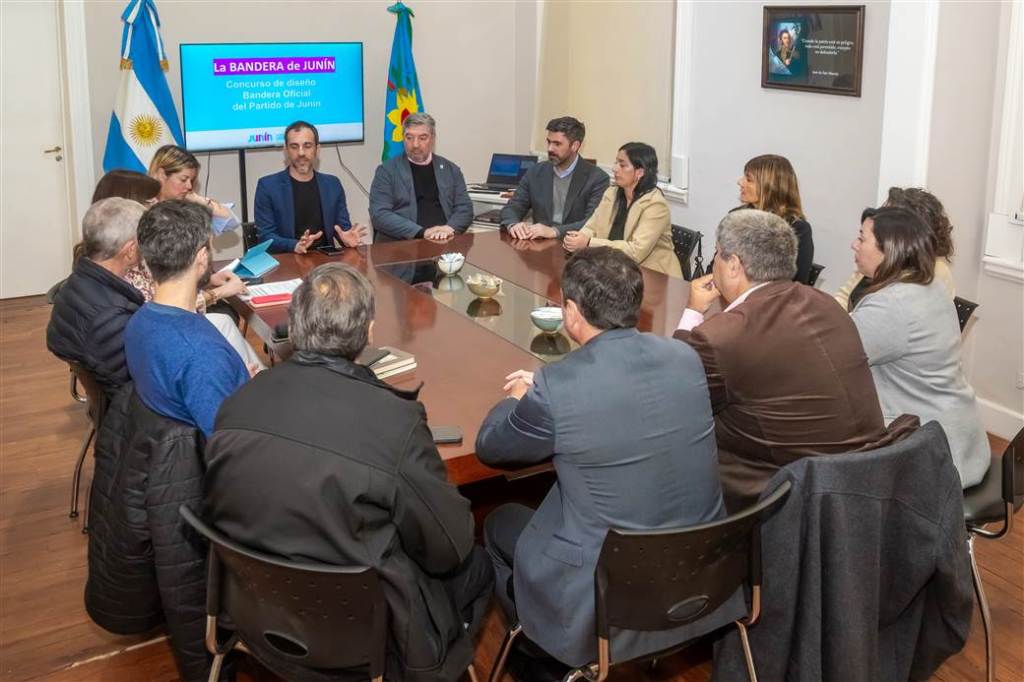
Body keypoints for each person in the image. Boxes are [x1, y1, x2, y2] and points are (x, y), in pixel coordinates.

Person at [203, 263, 493, 682]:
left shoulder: (236, 402)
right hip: (366, 638)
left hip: (253, 609)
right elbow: (450, 546)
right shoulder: (396, 423)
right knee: (479, 564)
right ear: (369, 333)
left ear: (296, 325)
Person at [478, 247, 741, 676]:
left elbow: (492, 447)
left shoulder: (557, 385)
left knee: (496, 522)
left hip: (607, 602)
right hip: (702, 578)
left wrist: (517, 398)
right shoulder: (686, 358)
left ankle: (539, 657)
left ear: (572, 312)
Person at [674, 209, 897, 511]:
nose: (714, 262)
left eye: (717, 254)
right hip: (866, 482)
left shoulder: (724, 336)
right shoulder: (826, 305)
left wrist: (692, 313)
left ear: (734, 266)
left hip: (787, 497)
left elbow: (674, 394)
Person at [849, 206, 989, 487]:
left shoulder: (892, 305)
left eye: (862, 238)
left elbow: (831, 358)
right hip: (960, 438)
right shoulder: (929, 286)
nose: (855, 244)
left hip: (930, 455)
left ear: (889, 250)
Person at [124, 200, 249, 437]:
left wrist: (237, 386)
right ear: (202, 258)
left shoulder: (137, 322)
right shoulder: (202, 355)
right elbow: (232, 444)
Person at [47, 198, 146, 395]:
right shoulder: (111, 317)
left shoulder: (76, 281)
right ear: (130, 250)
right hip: (129, 411)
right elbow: (139, 381)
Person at [563, 142, 680, 277]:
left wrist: (588, 242)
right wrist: (577, 238)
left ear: (640, 172)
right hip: (614, 269)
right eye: (616, 163)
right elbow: (592, 226)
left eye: (622, 165)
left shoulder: (656, 205)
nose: (614, 168)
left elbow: (636, 251)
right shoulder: (611, 194)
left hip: (653, 277)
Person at [254, 121, 367, 254]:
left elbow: (341, 229)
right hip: (287, 262)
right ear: (286, 150)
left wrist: (347, 238)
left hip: (326, 262)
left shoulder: (332, 184)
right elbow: (266, 237)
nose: (301, 153)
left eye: (307, 146)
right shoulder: (268, 186)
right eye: (294, 146)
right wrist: (295, 245)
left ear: (317, 149)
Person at [835, 186, 956, 310]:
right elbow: (843, 297)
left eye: (887, 216)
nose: (878, 219)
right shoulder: (877, 260)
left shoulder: (932, 272)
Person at [369, 112, 474, 242]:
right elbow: (379, 214)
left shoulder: (450, 170)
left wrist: (449, 228)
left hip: (444, 242)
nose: (415, 145)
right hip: (402, 247)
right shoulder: (387, 171)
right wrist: (421, 232)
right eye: (409, 137)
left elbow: (464, 208)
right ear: (403, 138)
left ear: (433, 138)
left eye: (422, 138)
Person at [501, 116, 608, 239]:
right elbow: (513, 207)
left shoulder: (597, 178)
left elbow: (592, 223)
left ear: (575, 146)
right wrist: (514, 224)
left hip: (575, 248)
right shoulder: (535, 172)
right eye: (548, 142)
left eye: (557, 144)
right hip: (538, 245)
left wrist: (555, 231)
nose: (550, 149)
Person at [735, 154, 814, 284]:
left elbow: (796, 285)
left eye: (748, 179)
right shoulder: (737, 216)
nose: (740, 182)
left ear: (769, 187)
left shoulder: (797, 229)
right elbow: (718, 263)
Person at [148, 145, 240, 236]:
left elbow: (231, 223)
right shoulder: (142, 208)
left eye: (191, 180)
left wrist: (198, 199)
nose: (189, 186)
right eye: (183, 180)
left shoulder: (188, 208)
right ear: (162, 175)